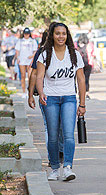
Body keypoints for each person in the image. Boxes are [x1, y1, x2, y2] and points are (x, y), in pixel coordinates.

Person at [36, 22, 86, 181]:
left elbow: (81, 79)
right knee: (52, 135)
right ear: (52, 35)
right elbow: (39, 76)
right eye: (57, 33)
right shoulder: (45, 54)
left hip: (69, 98)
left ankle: (68, 168)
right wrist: (41, 92)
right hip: (50, 98)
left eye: (63, 33)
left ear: (67, 35)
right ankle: (55, 168)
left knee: (68, 135)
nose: (61, 36)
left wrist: (82, 103)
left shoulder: (74, 54)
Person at [28, 28, 64, 167]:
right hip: (46, 96)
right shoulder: (42, 53)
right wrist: (31, 94)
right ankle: (53, 156)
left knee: (61, 127)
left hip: (64, 95)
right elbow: (34, 74)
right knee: (50, 127)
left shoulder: (67, 52)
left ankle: (60, 151)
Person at [15, 27, 38, 98]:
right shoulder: (20, 41)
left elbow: (35, 51)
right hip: (22, 60)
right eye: (25, 34)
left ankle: (29, 92)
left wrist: (32, 57)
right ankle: (24, 91)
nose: (26, 35)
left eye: (27, 34)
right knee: (23, 76)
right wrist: (17, 58)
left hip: (29, 60)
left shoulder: (32, 41)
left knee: (30, 77)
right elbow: (17, 50)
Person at [77, 33, 94, 99]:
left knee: (80, 79)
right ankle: (87, 93)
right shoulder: (89, 44)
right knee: (86, 79)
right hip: (88, 63)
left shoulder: (77, 44)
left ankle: (80, 93)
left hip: (79, 64)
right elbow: (92, 54)